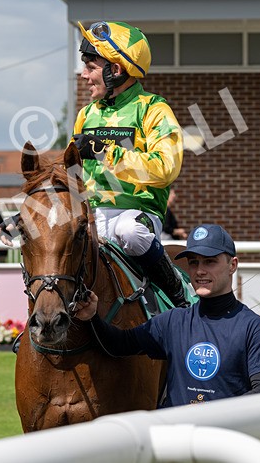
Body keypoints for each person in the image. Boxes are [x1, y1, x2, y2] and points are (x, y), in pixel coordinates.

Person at [76, 224, 260, 407]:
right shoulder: (173, 321)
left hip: (223, 445)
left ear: (232, 265)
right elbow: (118, 344)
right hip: (176, 443)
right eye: (194, 262)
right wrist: (91, 317)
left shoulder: (254, 328)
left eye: (210, 262)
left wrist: (217, 415)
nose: (199, 270)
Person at [70, 20, 187, 306]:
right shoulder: (86, 114)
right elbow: (72, 173)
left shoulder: (154, 109)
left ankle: (177, 296)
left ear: (116, 70)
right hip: (93, 216)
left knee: (130, 232)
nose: (84, 75)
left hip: (137, 215)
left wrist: (106, 152)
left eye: (90, 66)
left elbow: (166, 168)